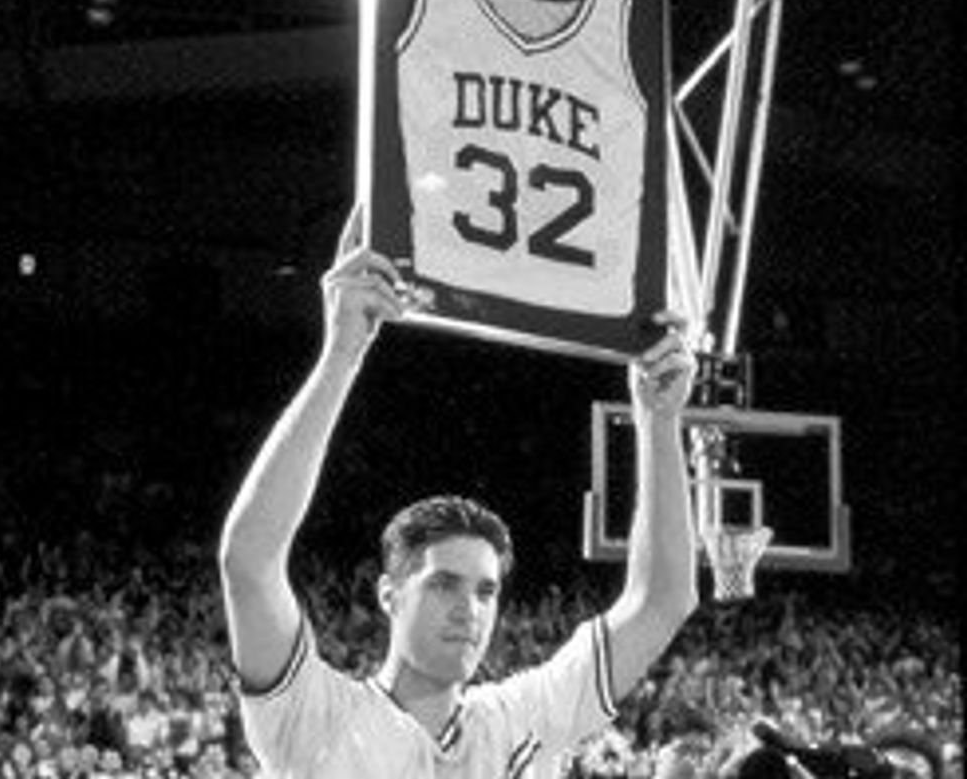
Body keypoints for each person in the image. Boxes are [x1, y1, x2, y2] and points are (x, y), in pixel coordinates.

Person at [219, 237, 699, 778]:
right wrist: (341, 355)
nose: (469, 609)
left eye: (486, 591)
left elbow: (663, 599)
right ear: (388, 594)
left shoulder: (522, 718)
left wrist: (660, 423)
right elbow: (248, 561)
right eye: (444, 583)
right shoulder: (318, 717)